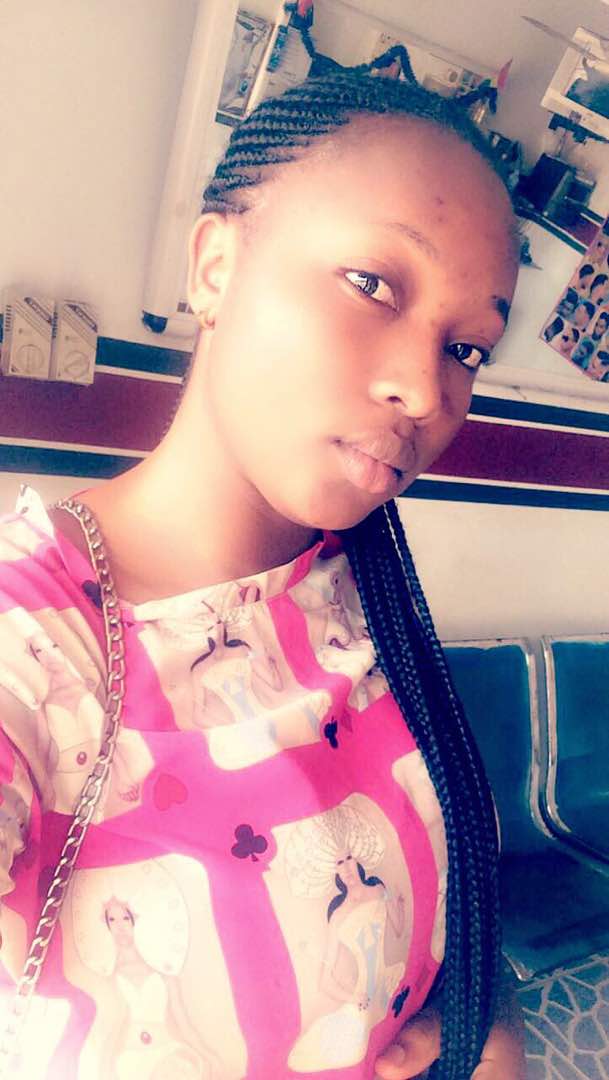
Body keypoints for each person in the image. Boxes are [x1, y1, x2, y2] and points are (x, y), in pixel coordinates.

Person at [0, 64, 523, 1080]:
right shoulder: (35, 640)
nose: (424, 391)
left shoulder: (366, 594)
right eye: (373, 284)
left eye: (467, 347)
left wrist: (485, 1023)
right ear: (214, 266)